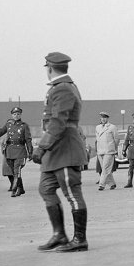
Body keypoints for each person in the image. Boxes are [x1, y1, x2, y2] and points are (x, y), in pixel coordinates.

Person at [31, 52, 89, 252]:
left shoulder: (63, 88)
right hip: (56, 150)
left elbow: (58, 122)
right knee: (46, 188)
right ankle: (59, 235)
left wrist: (42, 147)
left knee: (72, 193)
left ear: (49, 68)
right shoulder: (61, 87)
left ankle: (79, 239)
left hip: (65, 149)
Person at [0, 106, 33, 197]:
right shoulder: (9, 124)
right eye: (14, 114)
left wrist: (30, 152)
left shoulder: (24, 126)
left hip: (20, 152)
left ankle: (14, 190)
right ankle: (21, 188)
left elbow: (28, 140)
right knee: (14, 172)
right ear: (12, 115)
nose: (16, 116)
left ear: (20, 115)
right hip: (10, 152)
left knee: (17, 171)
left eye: (18, 114)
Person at [95, 112, 119, 191]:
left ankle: (101, 185)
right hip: (100, 150)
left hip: (109, 150)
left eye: (105, 118)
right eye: (102, 118)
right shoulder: (97, 127)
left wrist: (114, 148)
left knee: (105, 168)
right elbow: (97, 140)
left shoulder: (112, 127)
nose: (103, 119)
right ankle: (112, 184)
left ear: (107, 118)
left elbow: (116, 139)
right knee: (106, 169)